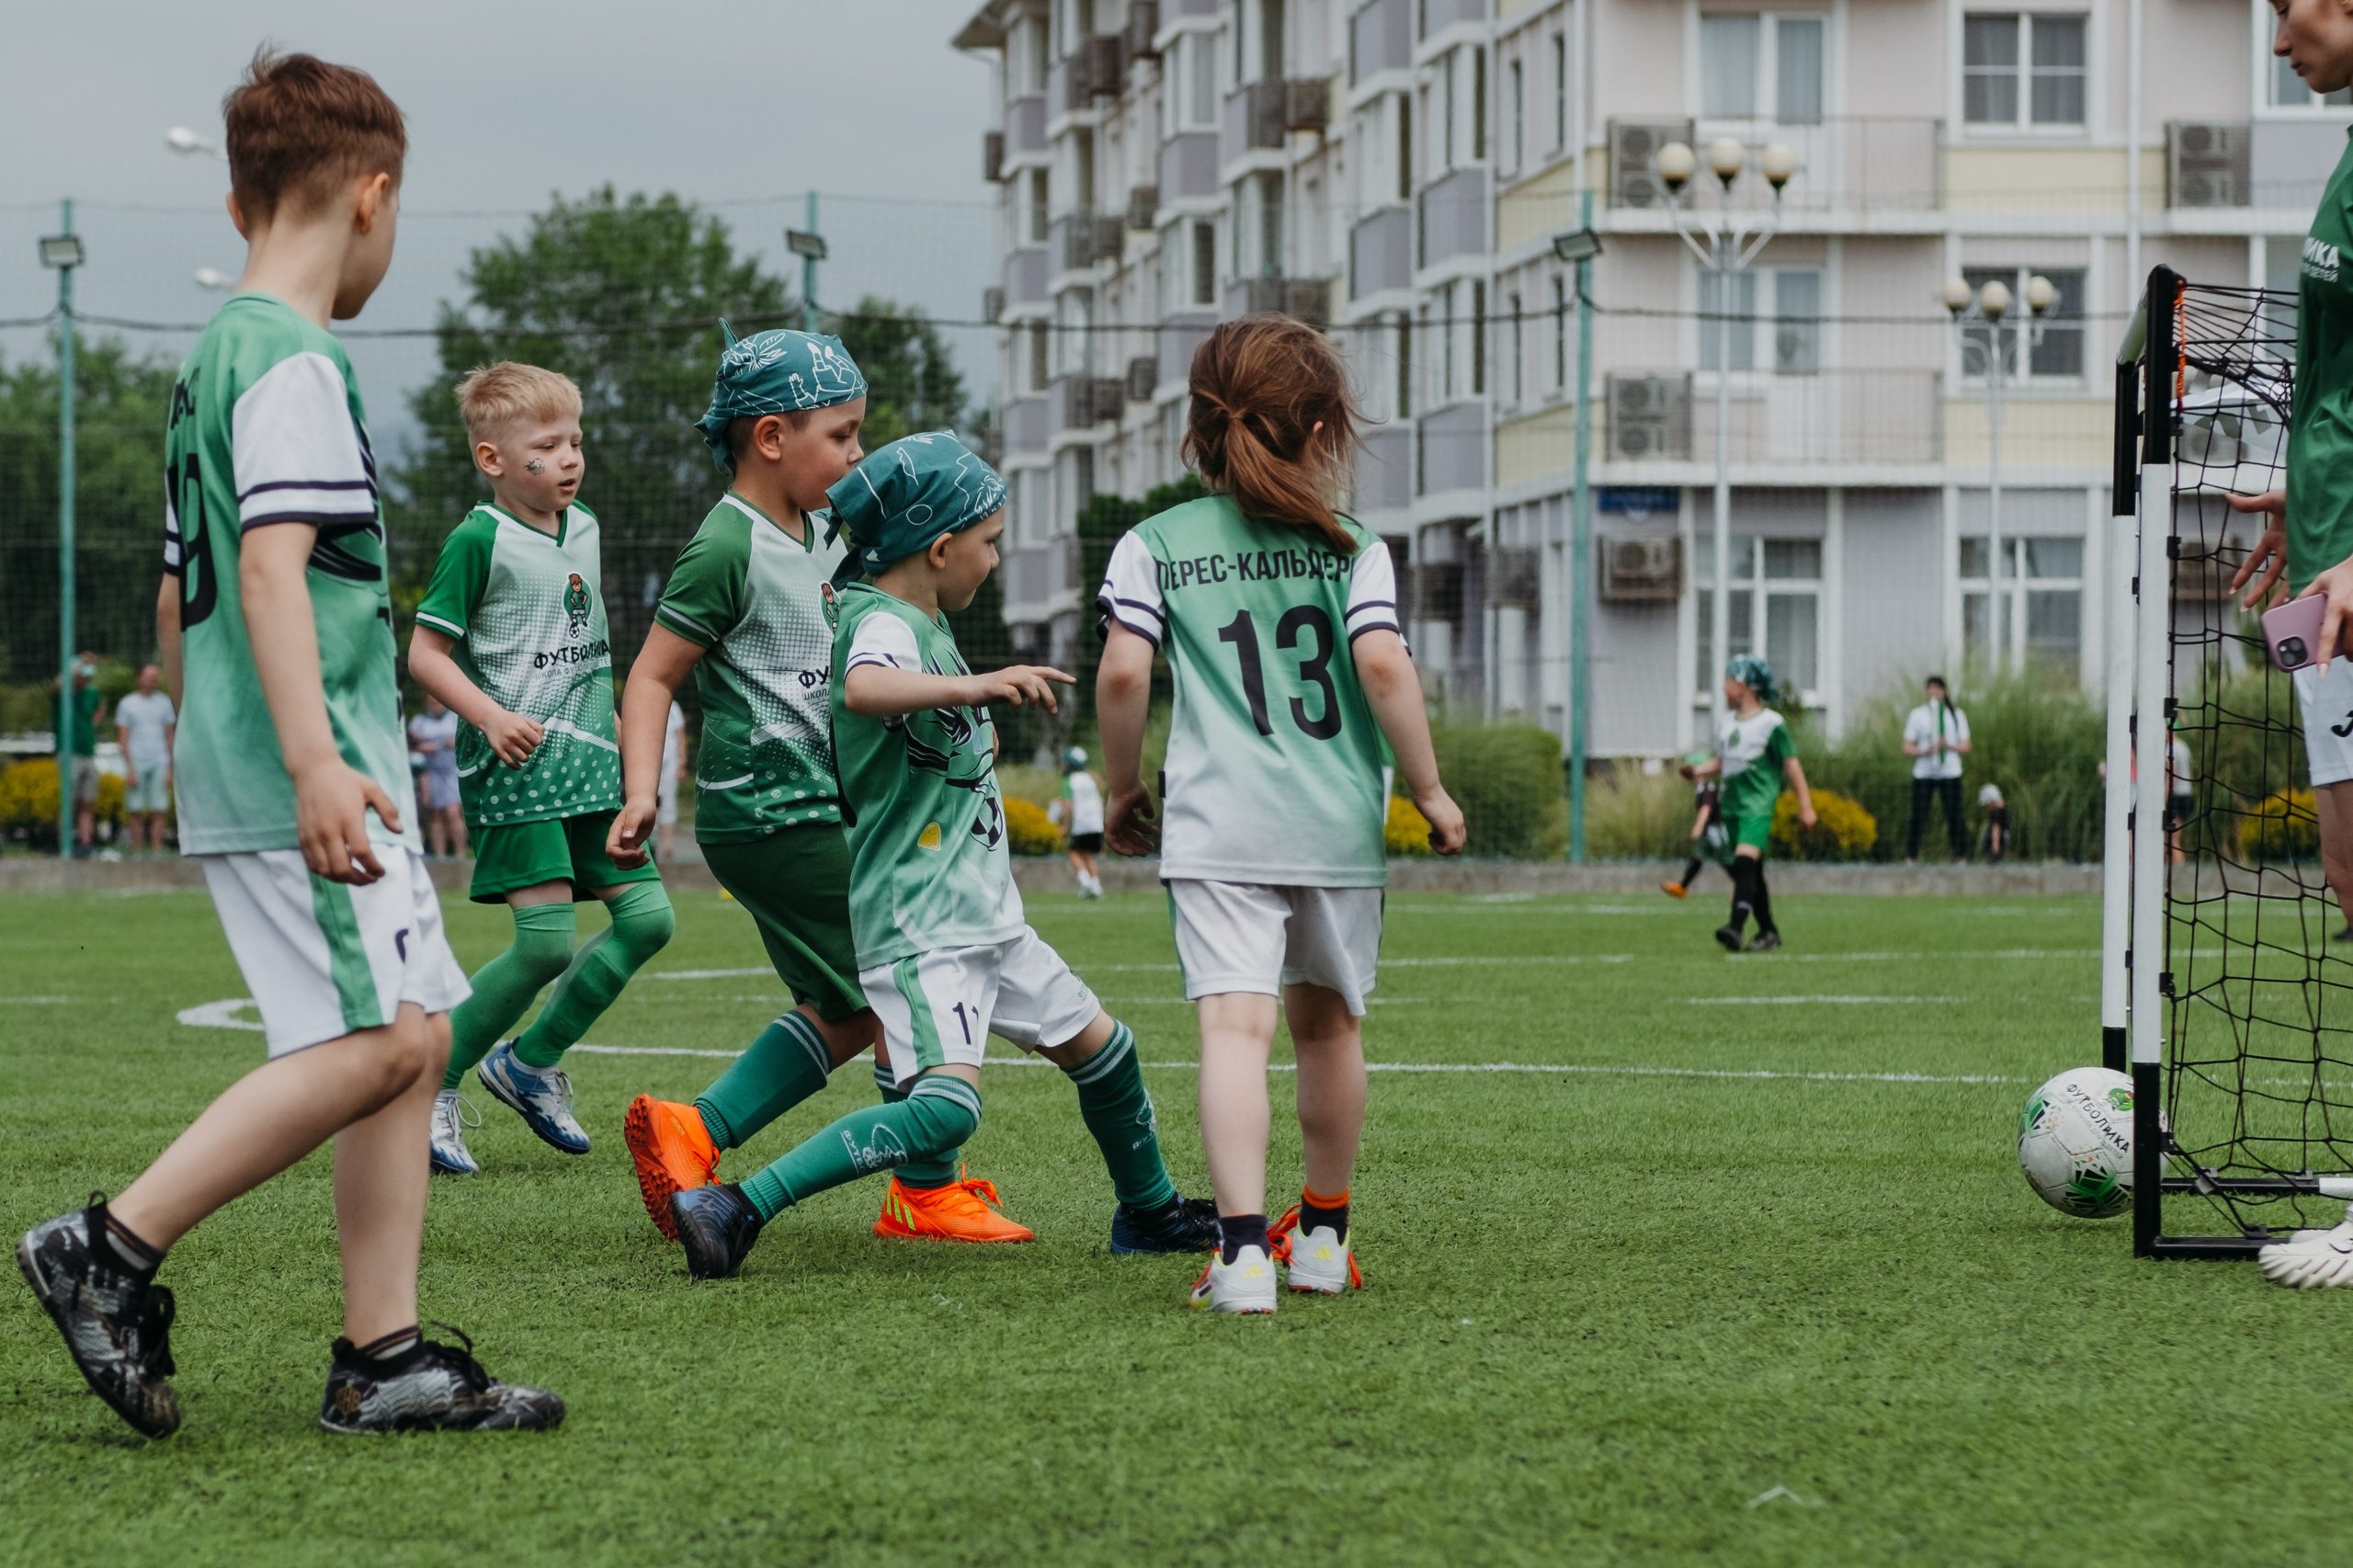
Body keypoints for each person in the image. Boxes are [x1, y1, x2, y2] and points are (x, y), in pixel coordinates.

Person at [16, 50, 559, 1437]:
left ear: (239, 204)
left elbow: (170, 583)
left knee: (416, 1036)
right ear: (372, 197)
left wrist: (225, 744)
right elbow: (269, 570)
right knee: (383, 1044)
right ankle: (108, 1245)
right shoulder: (298, 357)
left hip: (285, 751)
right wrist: (304, 758)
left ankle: (384, 1354)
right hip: (310, 761)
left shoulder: (217, 357)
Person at [660, 430, 1220, 1278]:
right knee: (946, 1111)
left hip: (984, 918)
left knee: (1107, 1053)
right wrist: (978, 685)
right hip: (923, 923)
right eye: (991, 543)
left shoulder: (923, 621)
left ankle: (1149, 1213)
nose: (996, 561)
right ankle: (735, 1204)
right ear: (941, 545)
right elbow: (864, 688)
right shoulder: (880, 620)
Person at [608, 331, 1030, 1246]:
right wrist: (642, 791)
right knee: (894, 978)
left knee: (844, 1005)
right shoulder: (726, 542)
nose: (855, 455)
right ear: (769, 438)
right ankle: (925, 1187)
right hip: (769, 811)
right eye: (841, 436)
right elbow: (649, 676)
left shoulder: (828, 535)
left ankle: (696, 1128)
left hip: (812, 808)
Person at [1097, 314, 1469, 1314]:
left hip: (1219, 829)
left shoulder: (1153, 543)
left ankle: (1242, 1254)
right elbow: (1382, 662)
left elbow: (1125, 667)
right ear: (1322, 433)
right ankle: (1323, 1239)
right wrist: (1429, 789)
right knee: (1327, 1031)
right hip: (1333, 828)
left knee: (1233, 1030)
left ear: (1201, 431)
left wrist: (1120, 787)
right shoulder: (1353, 545)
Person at [407, 362, 674, 1175]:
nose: (570, 459)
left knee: (649, 921)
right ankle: (433, 1084)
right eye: (547, 445)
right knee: (547, 943)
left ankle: (526, 1066)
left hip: (591, 765)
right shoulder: (476, 539)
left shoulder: (585, 526)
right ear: (492, 460)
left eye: (576, 442)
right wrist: (489, 716)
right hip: (518, 770)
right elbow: (423, 653)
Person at [1681, 654, 1816, 953]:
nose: (1724, 688)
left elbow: (1791, 765)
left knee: (1743, 863)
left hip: (1757, 805)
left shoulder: (1772, 724)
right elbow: (1723, 760)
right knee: (1750, 873)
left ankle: (1735, 927)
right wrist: (1698, 770)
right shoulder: (1727, 723)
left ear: (1743, 686)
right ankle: (1768, 932)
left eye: (1728, 682)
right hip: (1731, 806)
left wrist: (1805, 806)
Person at [1901, 676, 1970, 864]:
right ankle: (1911, 856)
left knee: (1954, 815)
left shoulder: (1956, 714)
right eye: (1930, 689)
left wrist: (1948, 745)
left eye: (1937, 689)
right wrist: (1923, 751)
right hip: (1924, 772)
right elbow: (1906, 746)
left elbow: (1966, 745)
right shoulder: (1918, 715)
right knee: (1918, 815)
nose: (1933, 692)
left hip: (1950, 772)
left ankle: (1960, 855)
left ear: (1944, 691)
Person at [114, 664, 176, 855]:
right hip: (137, 760)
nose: (152, 680)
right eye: (148, 676)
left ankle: (157, 852)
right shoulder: (127, 703)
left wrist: (171, 767)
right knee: (136, 810)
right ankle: (137, 852)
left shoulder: (165, 703)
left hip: (160, 760)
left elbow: (170, 736)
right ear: (139, 678)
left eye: (155, 676)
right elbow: (123, 738)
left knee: (159, 809)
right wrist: (129, 768)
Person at [51, 653, 106, 857]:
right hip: (69, 753)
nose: (86, 679)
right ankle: (64, 843)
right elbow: (57, 685)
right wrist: (78, 665)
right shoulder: (63, 693)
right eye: (82, 675)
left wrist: (93, 723)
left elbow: (100, 708)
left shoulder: (91, 693)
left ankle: (85, 843)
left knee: (87, 801)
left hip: (88, 752)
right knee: (68, 801)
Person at [405, 693, 465, 859]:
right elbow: (410, 746)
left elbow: (465, 740)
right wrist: (425, 747)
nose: (434, 704)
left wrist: (446, 742)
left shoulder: (454, 718)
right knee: (436, 813)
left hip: (452, 771)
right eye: (431, 701)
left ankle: (460, 855)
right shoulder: (419, 721)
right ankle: (440, 857)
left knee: (453, 812)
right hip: (430, 772)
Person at [1661, 750, 1725, 899]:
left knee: (1726, 860)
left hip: (1714, 832)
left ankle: (1744, 886)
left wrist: (1698, 826)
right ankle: (1682, 887)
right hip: (1709, 832)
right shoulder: (1702, 789)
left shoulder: (1707, 790)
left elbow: (1706, 808)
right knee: (1698, 858)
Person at [1051, 745, 1107, 898]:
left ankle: (1085, 882)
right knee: (1088, 855)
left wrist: (1065, 825)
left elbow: (1068, 805)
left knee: (1074, 852)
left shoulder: (1069, 780)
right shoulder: (1091, 779)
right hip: (1096, 822)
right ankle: (1096, 885)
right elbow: (1100, 801)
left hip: (1081, 823)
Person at [656, 698, 687, 862]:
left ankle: (667, 846)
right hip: (649, 762)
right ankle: (648, 844)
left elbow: (680, 735)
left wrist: (681, 762)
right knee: (651, 803)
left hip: (670, 762)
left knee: (668, 803)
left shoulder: (674, 707)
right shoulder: (643, 703)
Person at [2165, 725, 2195, 865]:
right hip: (2186, 795)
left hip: (2177, 797)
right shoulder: (2183, 746)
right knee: (2170, 840)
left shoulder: (2171, 748)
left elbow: (2171, 776)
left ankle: (2180, 877)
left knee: (2173, 840)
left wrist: (2164, 800)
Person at [1978, 780, 2010, 863]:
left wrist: (1995, 844)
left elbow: (1996, 827)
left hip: (1996, 840)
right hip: (1999, 839)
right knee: (1996, 860)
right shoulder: (2002, 811)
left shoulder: (1997, 812)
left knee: (1993, 860)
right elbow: (1998, 828)